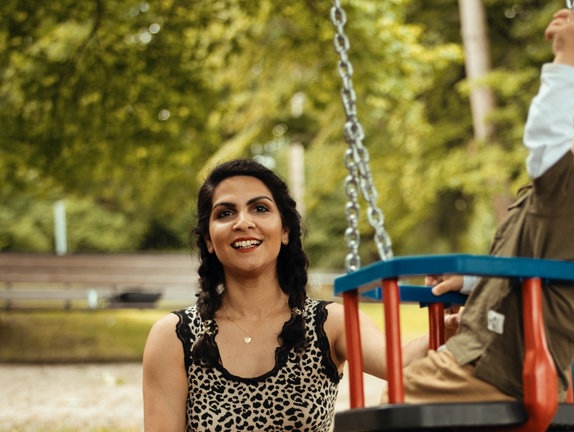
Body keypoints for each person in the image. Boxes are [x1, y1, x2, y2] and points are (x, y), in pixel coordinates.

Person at [398, 2, 574, 404]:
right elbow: (530, 275)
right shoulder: (570, 228)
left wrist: (567, 57)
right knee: (411, 361)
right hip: (515, 373)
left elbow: (546, 139)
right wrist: (471, 282)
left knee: (394, 403)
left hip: (490, 368)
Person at [142, 159, 428, 431]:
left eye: (260, 209)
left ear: (285, 231)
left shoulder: (329, 324)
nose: (243, 222)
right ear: (209, 240)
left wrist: (461, 314)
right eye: (225, 213)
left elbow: (402, 363)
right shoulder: (175, 337)